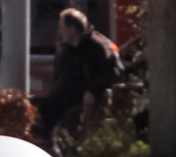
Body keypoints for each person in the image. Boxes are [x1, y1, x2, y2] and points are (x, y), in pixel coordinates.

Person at [35, 8, 121, 149]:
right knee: (39, 112)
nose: (60, 32)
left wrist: (93, 91)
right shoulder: (66, 50)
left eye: (63, 28)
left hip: (84, 99)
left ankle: (69, 150)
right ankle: (47, 148)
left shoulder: (96, 47)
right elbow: (59, 78)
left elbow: (109, 73)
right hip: (63, 98)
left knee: (69, 120)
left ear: (73, 29)